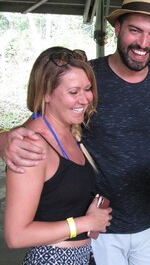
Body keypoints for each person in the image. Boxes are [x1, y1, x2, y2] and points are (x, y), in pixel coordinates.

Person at [0, 0, 150, 265]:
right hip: (97, 228)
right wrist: (5, 140)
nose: (143, 43)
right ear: (117, 28)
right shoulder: (86, 78)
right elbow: (35, 127)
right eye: (134, 30)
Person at [4, 47, 112, 264]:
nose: (85, 99)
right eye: (73, 92)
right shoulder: (32, 147)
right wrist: (85, 223)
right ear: (45, 93)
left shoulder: (70, 130)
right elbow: (16, 236)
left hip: (82, 255)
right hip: (52, 258)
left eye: (88, 89)